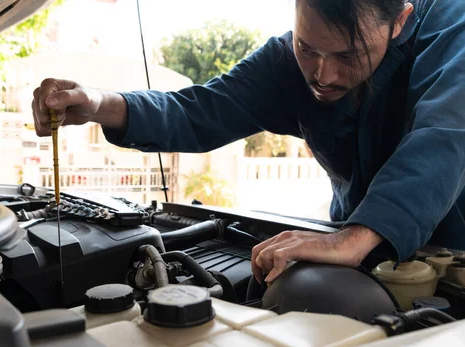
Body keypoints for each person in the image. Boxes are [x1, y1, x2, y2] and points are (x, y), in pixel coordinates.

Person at [32, 0, 465, 285]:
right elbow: (197, 110)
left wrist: (353, 238)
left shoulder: (452, 26)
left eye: (349, 56)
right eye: (307, 48)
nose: (322, 76)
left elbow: (446, 132)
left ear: (401, 20)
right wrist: (97, 103)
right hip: (352, 252)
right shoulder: (285, 65)